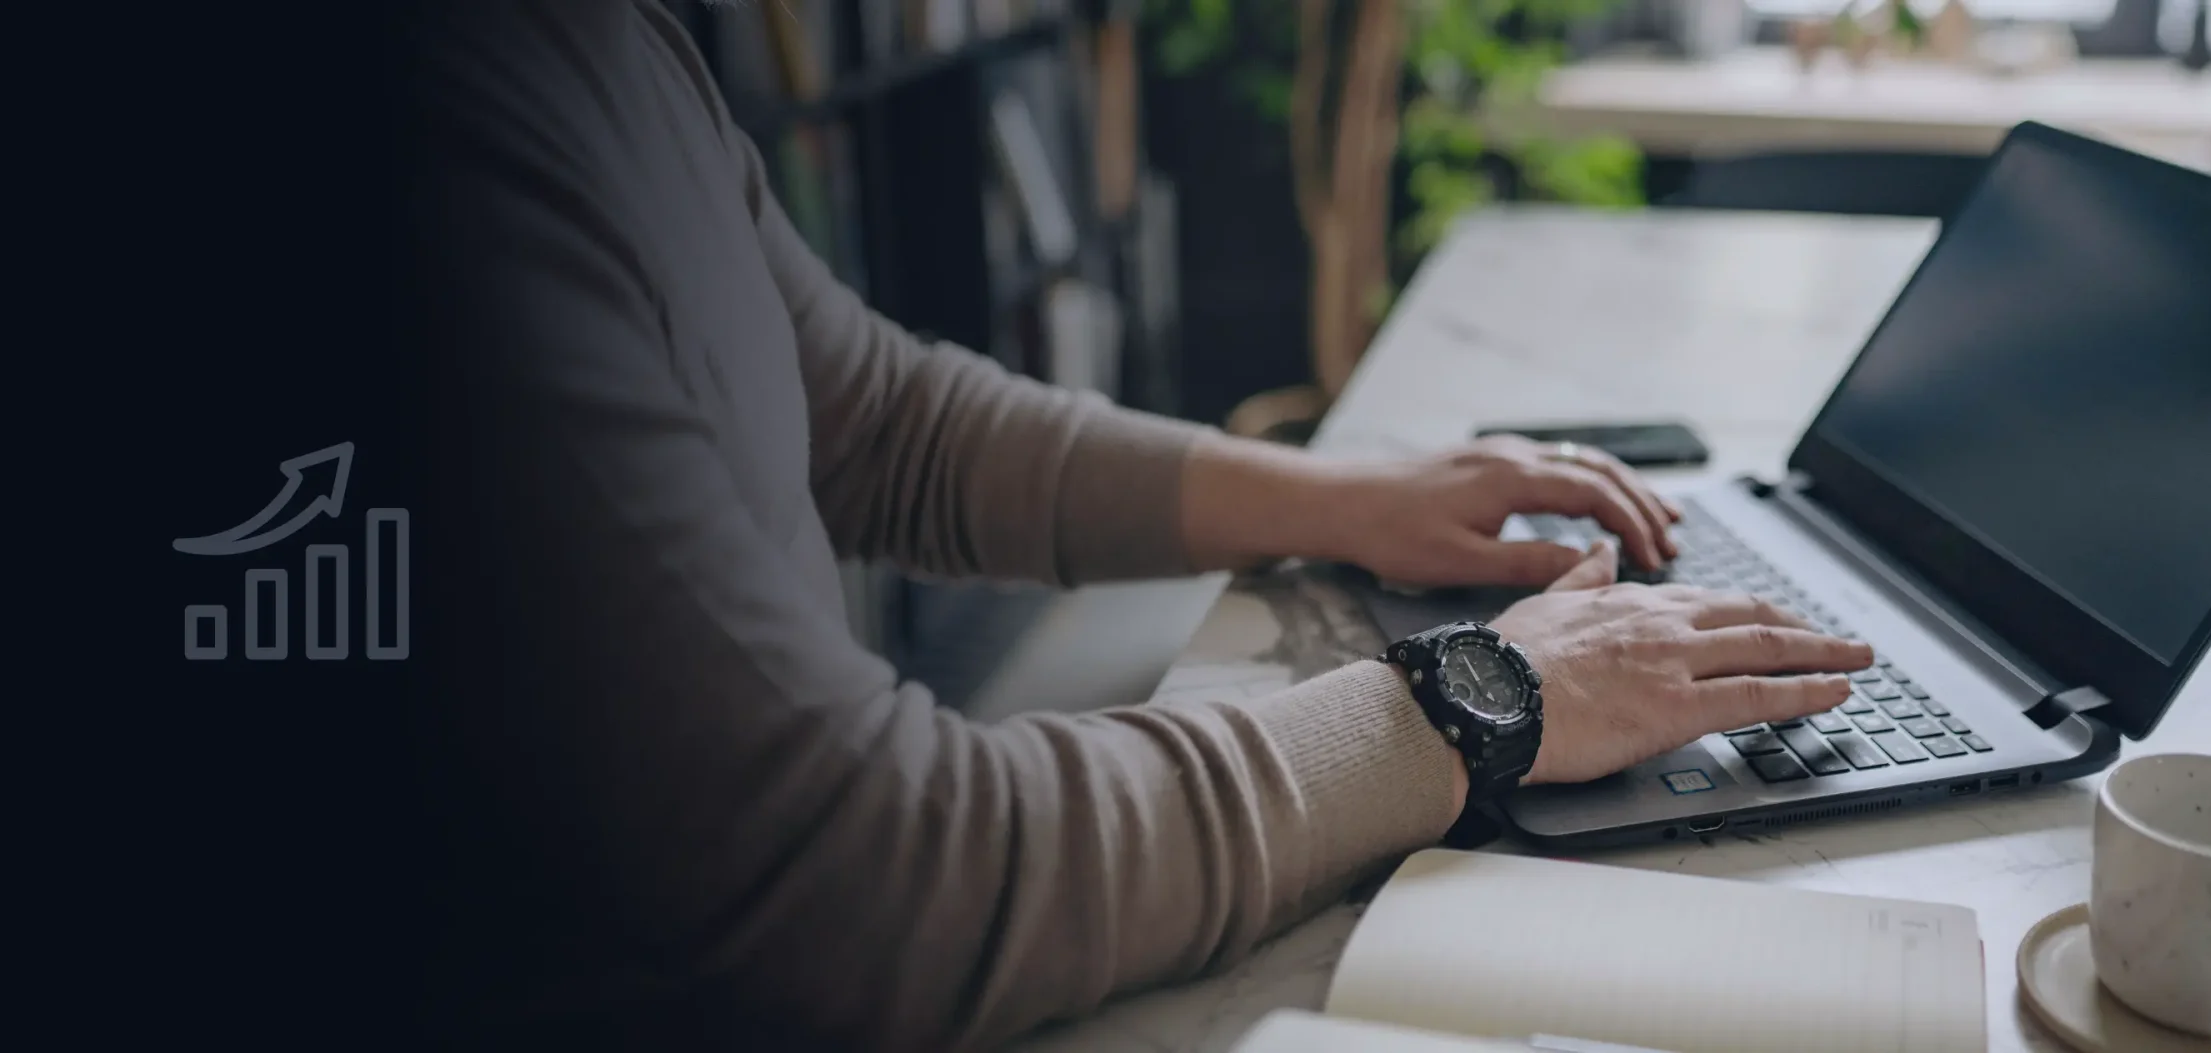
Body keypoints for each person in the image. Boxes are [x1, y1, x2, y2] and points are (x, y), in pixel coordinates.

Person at [414, 1, 1872, 1048]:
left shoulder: (601, 41)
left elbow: (871, 416)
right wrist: (1474, 697)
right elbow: (864, 881)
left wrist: (1346, 495)